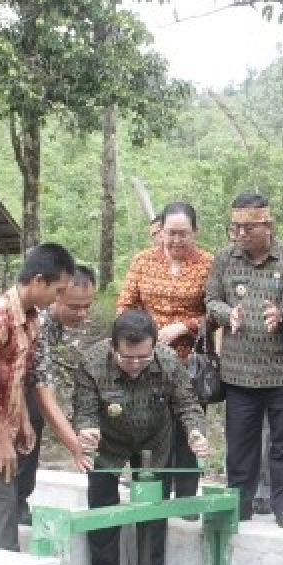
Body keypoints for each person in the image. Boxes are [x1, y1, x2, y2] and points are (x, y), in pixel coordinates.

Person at [0, 265, 96, 539]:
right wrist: (74, 446)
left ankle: (11, 502)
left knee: (27, 426)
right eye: (74, 305)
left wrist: (22, 420)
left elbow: (26, 378)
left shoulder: (34, 319)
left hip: (4, 380)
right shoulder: (15, 317)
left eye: (88, 306)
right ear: (53, 293)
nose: (82, 313)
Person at [75, 311, 209, 565]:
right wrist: (86, 430)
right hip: (107, 440)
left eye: (143, 358)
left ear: (153, 346)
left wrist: (195, 432)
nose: (135, 364)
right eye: (127, 358)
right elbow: (84, 410)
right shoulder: (91, 363)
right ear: (114, 347)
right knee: (101, 503)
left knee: (152, 505)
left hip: (153, 438)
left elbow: (188, 405)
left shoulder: (169, 360)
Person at [206, 193, 283, 526]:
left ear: (268, 226)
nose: (241, 235)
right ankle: (239, 505)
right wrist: (225, 313)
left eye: (248, 228)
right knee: (240, 445)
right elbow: (211, 300)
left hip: (282, 371)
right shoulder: (224, 259)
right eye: (236, 228)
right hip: (238, 372)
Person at [117, 201, 214, 504]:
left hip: (189, 362)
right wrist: (143, 334)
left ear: (195, 232)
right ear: (160, 232)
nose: (176, 240)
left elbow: (215, 312)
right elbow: (124, 306)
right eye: (170, 233)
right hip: (147, 361)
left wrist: (185, 327)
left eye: (183, 234)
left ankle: (185, 499)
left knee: (188, 429)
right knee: (149, 428)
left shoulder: (209, 264)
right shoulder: (143, 261)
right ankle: (151, 494)